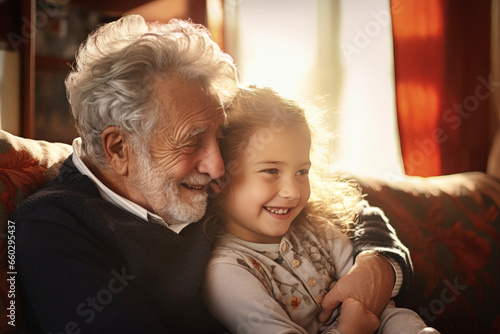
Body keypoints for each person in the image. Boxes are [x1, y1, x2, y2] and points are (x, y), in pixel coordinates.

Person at [11, 15, 410, 333]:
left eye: (217, 136)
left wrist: (379, 266)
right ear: (119, 149)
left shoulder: (201, 183)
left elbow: (346, 208)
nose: (217, 166)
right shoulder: (52, 227)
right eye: (192, 141)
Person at [202, 86, 439, 333]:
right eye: (271, 171)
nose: (292, 192)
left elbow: (377, 304)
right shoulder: (227, 272)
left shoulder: (318, 227)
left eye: (301, 172)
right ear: (220, 177)